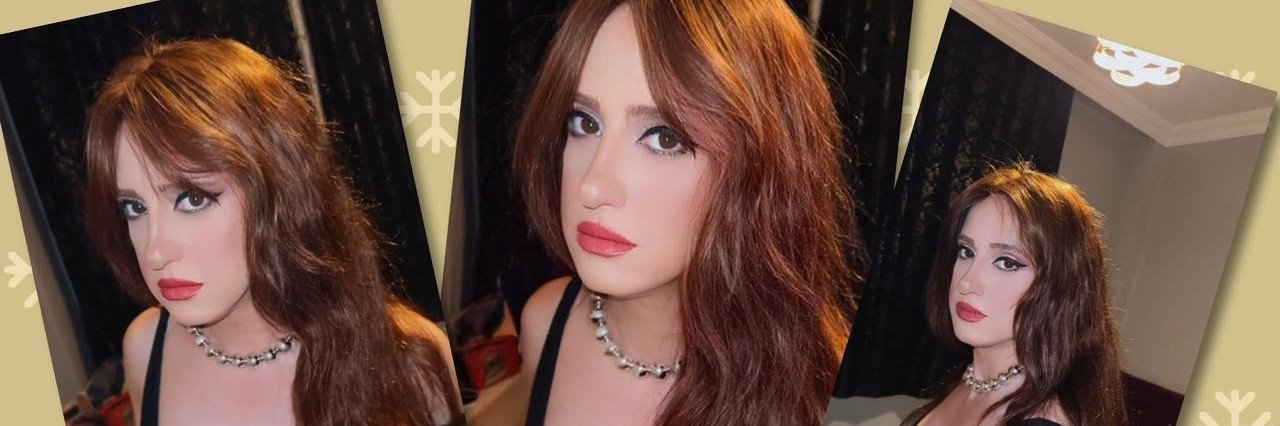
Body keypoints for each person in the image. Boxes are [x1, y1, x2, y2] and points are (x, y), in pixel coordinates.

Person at [511, 0, 861, 424]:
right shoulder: (544, 321)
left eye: (664, 138)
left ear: (762, 168)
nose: (593, 186)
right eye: (585, 123)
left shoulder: (827, 395)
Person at [82, 39, 461, 425]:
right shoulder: (147, 349)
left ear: (281, 189)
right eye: (134, 208)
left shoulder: (410, 360)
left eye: (193, 199)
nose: (154, 252)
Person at [902, 164, 1127, 426]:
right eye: (966, 251)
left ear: (1060, 286)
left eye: (1007, 262)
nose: (966, 282)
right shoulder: (970, 377)